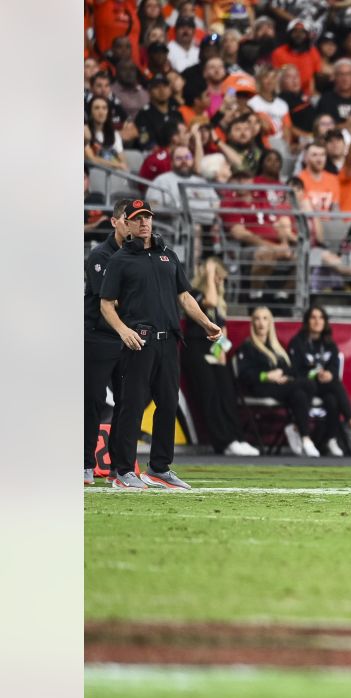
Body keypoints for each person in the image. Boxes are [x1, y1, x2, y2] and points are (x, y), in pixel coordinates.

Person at [99, 200, 223, 489]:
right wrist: (122, 331)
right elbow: (106, 305)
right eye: (138, 218)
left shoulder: (168, 254)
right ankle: (122, 471)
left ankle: (158, 468)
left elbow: (184, 297)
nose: (144, 223)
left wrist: (207, 323)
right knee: (131, 405)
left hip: (169, 342)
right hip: (138, 342)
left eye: (148, 217)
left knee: (167, 403)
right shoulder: (119, 260)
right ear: (126, 224)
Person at [181, 256, 259, 457]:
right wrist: (208, 273)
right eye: (217, 277)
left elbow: (222, 332)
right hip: (197, 352)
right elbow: (211, 301)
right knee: (210, 399)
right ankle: (224, 442)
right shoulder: (194, 294)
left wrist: (221, 351)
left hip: (213, 354)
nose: (219, 281)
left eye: (221, 278)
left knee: (227, 395)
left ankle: (236, 438)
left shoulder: (220, 305)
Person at [234, 307, 325, 457]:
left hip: (280, 387)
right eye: (257, 318)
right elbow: (244, 374)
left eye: (265, 319)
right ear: (253, 323)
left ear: (270, 323)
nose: (261, 323)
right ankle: (301, 433)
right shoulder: (248, 346)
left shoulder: (277, 348)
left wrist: (282, 374)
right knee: (308, 384)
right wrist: (267, 375)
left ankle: (303, 435)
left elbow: (291, 369)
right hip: (260, 387)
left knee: (299, 395)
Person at [84, 199, 132, 485]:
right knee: (93, 400)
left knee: (128, 402)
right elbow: (109, 299)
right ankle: (85, 463)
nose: (134, 225)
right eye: (127, 219)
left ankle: (120, 466)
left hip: (127, 337)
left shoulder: (141, 255)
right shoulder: (100, 255)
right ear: (115, 222)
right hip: (98, 335)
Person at [288, 305, 351, 457]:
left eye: (320, 318)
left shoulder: (329, 344)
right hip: (305, 387)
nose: (317, 321)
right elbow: (295, 371)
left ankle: (331, 439)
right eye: (313, 317)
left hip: (324, 387)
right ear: (307, 321)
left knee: (332, 398)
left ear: (325, 322)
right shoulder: (297, 342)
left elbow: (334, 368)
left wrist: (329, 374)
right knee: (332, 385)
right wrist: (316, 374)